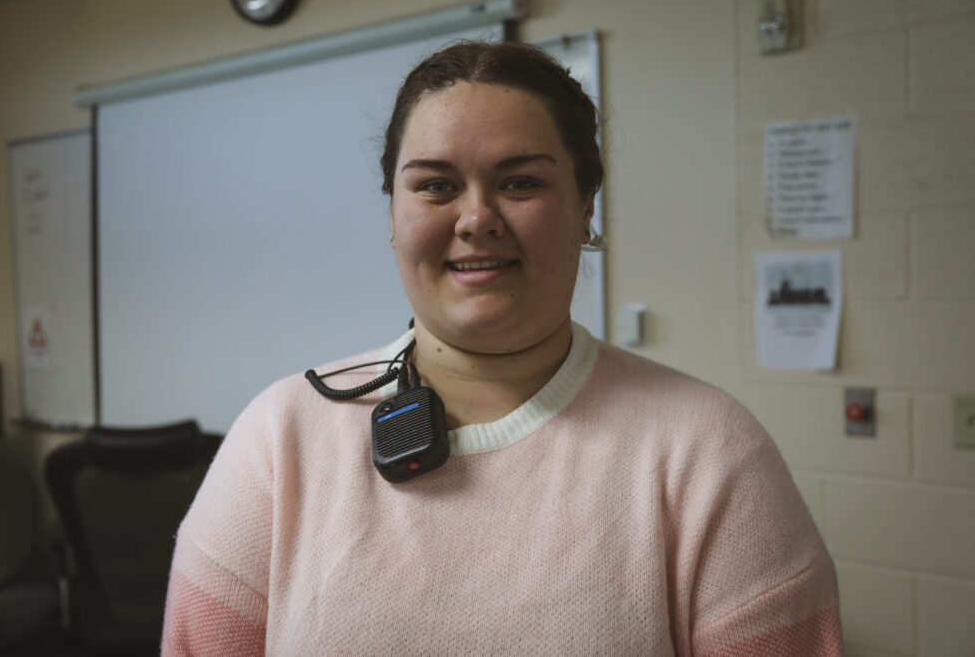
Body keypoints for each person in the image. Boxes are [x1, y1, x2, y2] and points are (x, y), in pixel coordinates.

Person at [161, 41, 843, 655]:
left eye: (520, 182)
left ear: (584, 208)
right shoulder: (278, 441)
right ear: (392, 213)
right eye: (435, 185)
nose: (477, 217)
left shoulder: (709, 454)